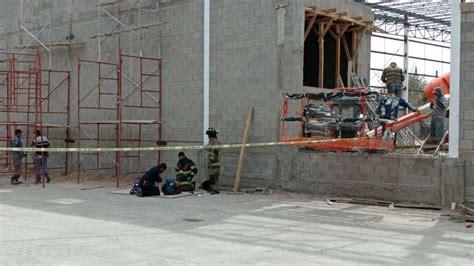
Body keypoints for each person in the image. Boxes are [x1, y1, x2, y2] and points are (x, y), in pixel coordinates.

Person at [206, 128, 221, 194]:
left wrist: (211, 160)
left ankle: (216, 189)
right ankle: (212, 188)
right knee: (211, 177)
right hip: (212, 163)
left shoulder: (215, 142)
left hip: (215, 163)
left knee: (215, 177)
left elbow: (215, 151)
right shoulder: (211, 142)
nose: (208, 137)